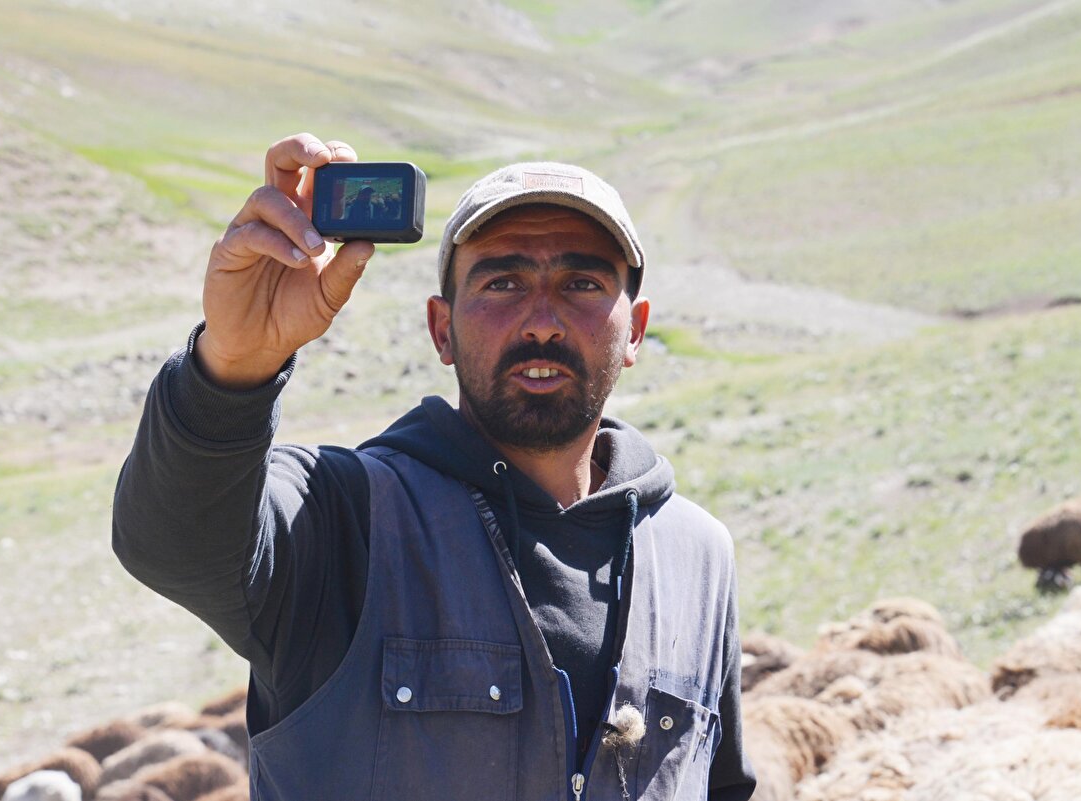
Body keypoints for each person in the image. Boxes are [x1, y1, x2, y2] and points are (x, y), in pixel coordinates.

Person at [113, 133, 756, 801]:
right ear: (441, 329)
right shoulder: (344, 519)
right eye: (502, 281)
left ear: (636, 331)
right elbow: (173, 541)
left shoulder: (696, 555)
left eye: (582, 283)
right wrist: (234, 364)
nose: (543, 321)